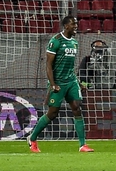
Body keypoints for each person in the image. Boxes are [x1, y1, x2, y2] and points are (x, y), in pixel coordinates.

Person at [27, 16, 94, 153]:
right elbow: (48, 65)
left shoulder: (74, 43)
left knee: (77, 108)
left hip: (71, 81)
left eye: (76, 23)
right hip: (58, 82)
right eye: (73, 24)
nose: (76, 26)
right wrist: (52, 84)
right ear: (66, 26)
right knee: (52, 114)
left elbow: (70, 65)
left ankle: (82, 145)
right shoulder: (56, 41)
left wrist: (78, 82)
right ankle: (32, 138)